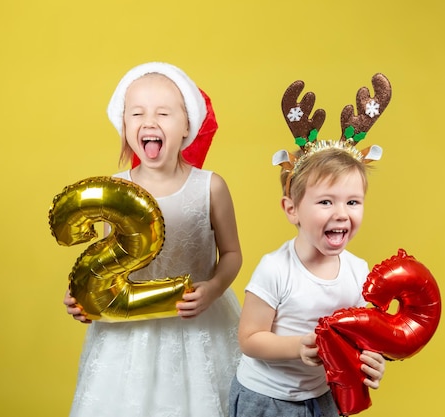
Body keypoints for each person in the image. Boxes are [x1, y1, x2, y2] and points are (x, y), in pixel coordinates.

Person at [63, 62, 242, 417]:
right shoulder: (111, 190)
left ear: (188, 124)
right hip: (127, 337)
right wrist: (82, 300)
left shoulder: (210, 186)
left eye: (164, 113)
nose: (149, 121)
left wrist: (214, 288)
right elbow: (101, 266)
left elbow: (233, 253)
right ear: (124, 124)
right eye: (137, 113)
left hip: (196, 327)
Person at [229, 143, 387, 417]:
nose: (341, 213)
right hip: (267, 399)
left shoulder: (358, 271)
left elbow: (360, 338)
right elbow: (249, 339)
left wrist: (373, 362)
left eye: (352, 202)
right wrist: (298, 346)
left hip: (323, 396)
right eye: (326, 201)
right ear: (292, 210)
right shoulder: (275, 269)